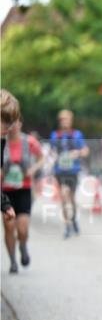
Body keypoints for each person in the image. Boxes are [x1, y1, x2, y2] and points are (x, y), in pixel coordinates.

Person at [1, 90, 44, 273]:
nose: (11, 126)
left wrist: (32, 170)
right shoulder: (3, 142)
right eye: (8, 122)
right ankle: (12, 261)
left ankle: (23, 246)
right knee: (9, 227)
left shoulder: (29, 142)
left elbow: (42, 158)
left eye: (14, 122)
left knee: (23, 228)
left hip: (24, 189)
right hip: (6, 190)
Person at [50, 109, 89, 238]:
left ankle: (74, 219)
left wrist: (77, 153)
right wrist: (55, 157)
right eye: (62, 120)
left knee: (71, 198)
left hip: (73, 171)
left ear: (71, 121)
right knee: (63, 195)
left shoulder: (77, 135)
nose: (65, 122)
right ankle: (67, 225)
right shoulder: (55, 135)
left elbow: (85, 151)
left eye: (67, 119)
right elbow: (52, 151)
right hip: (60, 171)